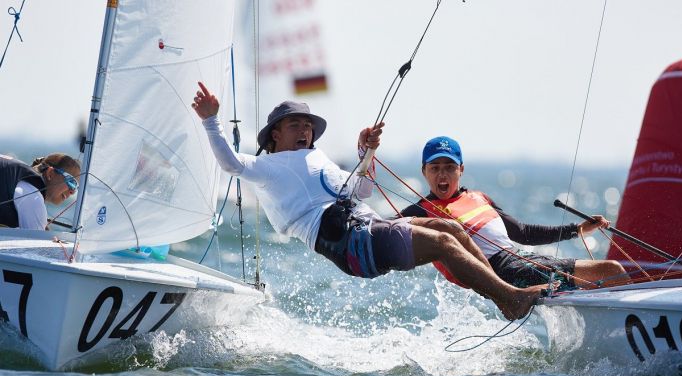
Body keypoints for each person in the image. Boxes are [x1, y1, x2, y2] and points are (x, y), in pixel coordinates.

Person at [191, 82, 550, 320]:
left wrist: (366, 152)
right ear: (275, 135)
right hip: (351, 244)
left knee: (449, 228)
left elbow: (360, 191)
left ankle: (505, 295)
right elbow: (230, 163)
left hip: (367, 226)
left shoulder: (316, 158)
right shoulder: (268, 167)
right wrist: (211, 120)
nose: (304, 130)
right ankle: (510, 297)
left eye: (307, 125)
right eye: (295, 125)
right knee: (442, 243)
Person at [398, 136, 629, 291]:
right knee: (610, 271)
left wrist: (577, 229)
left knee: (610, 273)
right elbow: (383, 232)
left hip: (523, 259)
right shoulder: (420, 211)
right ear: (424, 171)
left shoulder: (479, 198)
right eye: (435, 168)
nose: (442, 175)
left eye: (449, 167)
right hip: (503, 274)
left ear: (461, 170)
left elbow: (523, 233)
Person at [0, 153, 80, 230]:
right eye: (72, 182)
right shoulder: (33, 197)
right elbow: (34, 239)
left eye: (76, 187)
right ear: (50, 173)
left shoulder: (24, 179)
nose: (72, 192)